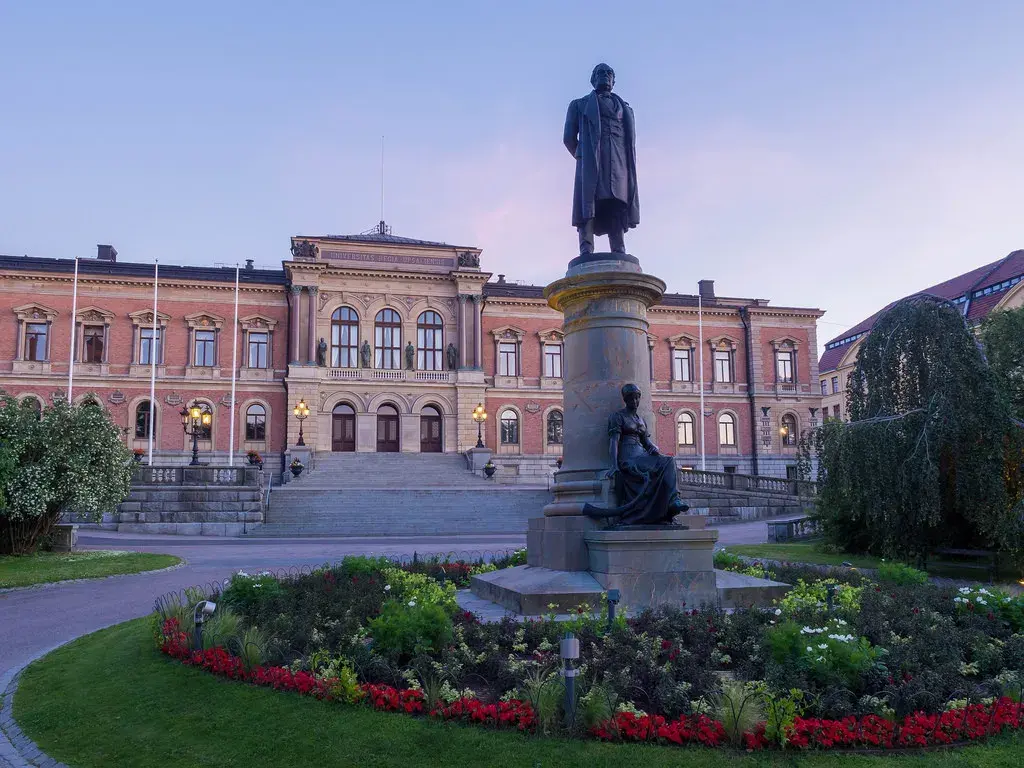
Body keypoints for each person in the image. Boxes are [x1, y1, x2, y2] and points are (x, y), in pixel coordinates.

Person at [563, 63, 640, 256]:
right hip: (591, 162)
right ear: (593, 79)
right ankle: (586, 248)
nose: (605, 76)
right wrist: (582, 156)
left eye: (609, 73)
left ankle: (619, 248)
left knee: (617, 203)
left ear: (614, 80)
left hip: (619, 162)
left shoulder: (626, 110)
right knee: (588, 203)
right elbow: (569, 138)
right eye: (600, 73)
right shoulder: (579, 105)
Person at [584, 383, 688, 525]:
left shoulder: (641, 420)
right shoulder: (618, 416)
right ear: (625, 400)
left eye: (637, 398)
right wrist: (614, 465)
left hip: (642, 454)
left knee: (669, 460)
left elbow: (646, 442)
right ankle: (672, 502)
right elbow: (614, 442)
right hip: (629, 457)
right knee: (666, 463)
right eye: (631, 399)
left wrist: (654, 449)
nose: (634, 402)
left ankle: (673, 501)